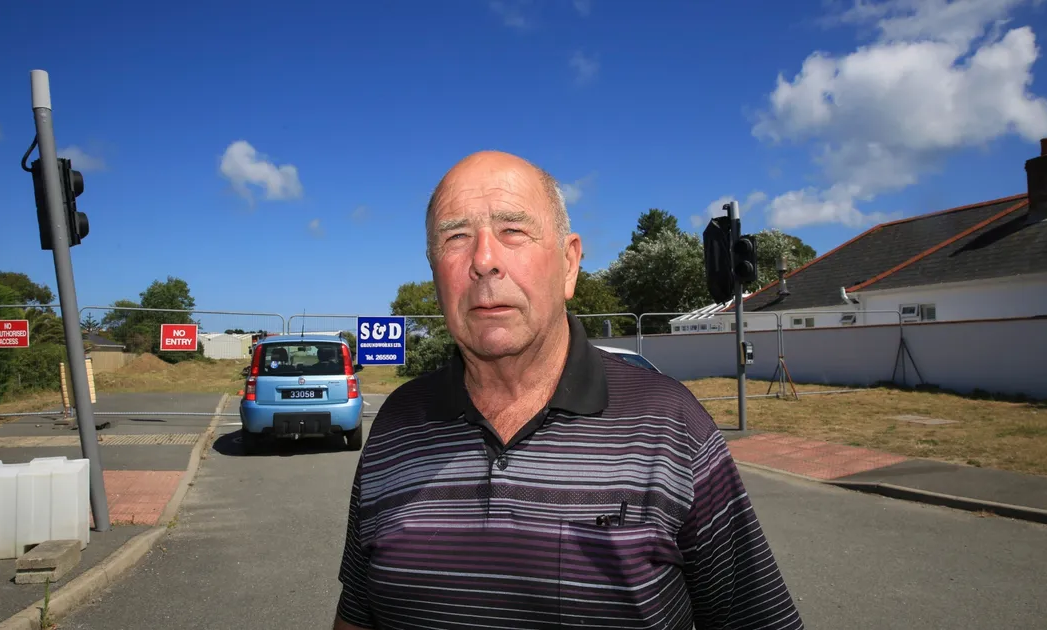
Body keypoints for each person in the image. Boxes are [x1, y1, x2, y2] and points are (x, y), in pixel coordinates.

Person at [333, 151, 804, 629]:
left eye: (513, 230)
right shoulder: (395, 424)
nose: (483, 261)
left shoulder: (670, 425)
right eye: (456, 237)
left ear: (569, 263)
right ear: (435, 272)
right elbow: (357, 614)